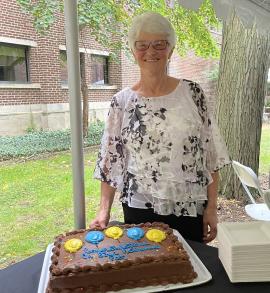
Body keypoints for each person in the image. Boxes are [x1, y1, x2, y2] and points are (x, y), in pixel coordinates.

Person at [90, 12, 230, 243]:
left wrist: (212, 208)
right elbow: (110, 160)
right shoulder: (121, 102)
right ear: (134, 52)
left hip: (188, 206)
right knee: (146, 271)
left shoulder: (193, 94)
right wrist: (103, 210)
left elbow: (210, 155)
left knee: (189, 270)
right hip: (139, 207)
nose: (151, 51)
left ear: (171, 50)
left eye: (159, 44)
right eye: (142, 45)